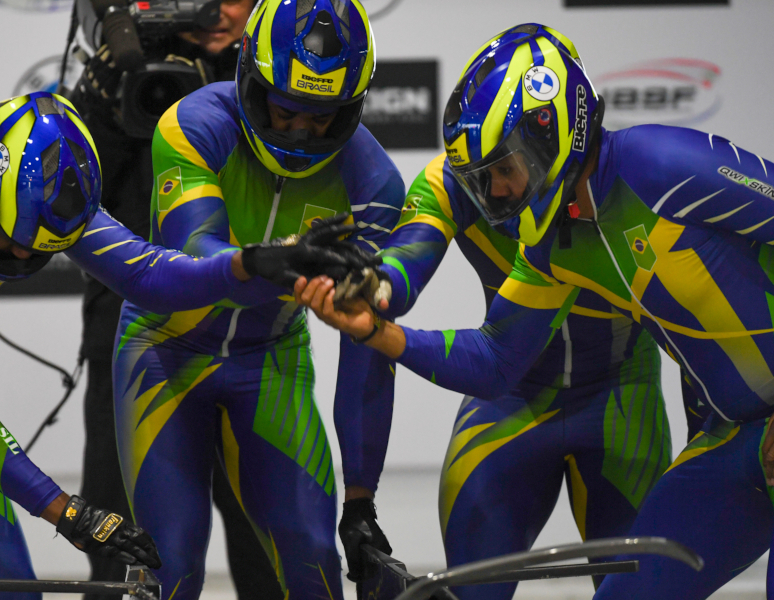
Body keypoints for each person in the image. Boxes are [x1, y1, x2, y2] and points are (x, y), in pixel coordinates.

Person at [0, 90, 367, 600]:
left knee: (10, 589)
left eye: (42, 251)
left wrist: (255, 262)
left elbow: (150, 276)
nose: (23, 257)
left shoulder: (41, 197)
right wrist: (67, 511)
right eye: (8, 243)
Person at [296, 23, 774, 599]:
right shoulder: (552, 239)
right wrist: (376, 328)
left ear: (549, 133)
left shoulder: (661, 163)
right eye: (483, 179)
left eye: (505, 169)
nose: (497, 194)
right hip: (738, 436)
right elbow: (496, 359)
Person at [110, 0, 404, 597]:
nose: (300, 131)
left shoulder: (376, 184)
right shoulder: (191, 122)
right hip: (164, 348)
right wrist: (277, 256)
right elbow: (194, 255)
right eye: (286, 107)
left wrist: (362, 500)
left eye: (324, 116)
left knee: (316, 558)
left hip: (270, 357)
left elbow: (367, 343)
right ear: (249, 77)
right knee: (172, 562)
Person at [63, 1, 278, 597]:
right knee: (122, 542)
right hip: (128, 334)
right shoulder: (125, 71)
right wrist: (99, 106)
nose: (219, 12)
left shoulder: (273, 78)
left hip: (248, 337)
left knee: (270, 544)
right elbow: (70, 201)